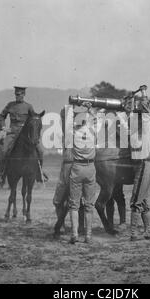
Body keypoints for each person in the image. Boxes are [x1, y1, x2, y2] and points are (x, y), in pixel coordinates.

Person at [124, 85, 150, 241]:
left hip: (144, 165)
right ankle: (148, 231)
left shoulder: (144, 126)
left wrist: (143, 93)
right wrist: (130, 99)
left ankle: (134, 233)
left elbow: (144, 108)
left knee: (135, 201)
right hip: (143, 166)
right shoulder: (134, 126)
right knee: (142, 200)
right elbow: (129, 112)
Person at [0, 86, 46, 183]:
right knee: (4, 150)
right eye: (16, 94)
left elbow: (34, 119)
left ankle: (39, 173)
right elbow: (1, 116)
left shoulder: (28, 106)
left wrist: (34, 132)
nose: (18, 96)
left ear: (24, 94)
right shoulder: (10, 105)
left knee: (40, 151)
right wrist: (3, 127)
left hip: (25, 134)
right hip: (12, 132)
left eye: (20, 94)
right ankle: (1, 174)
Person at [66, 102, 98, 244]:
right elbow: (96, 119)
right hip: (90, 167)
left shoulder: (72, 132)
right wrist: (89, 108)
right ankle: (88, 236)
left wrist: (72, 106)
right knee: (89, 204)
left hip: (77, 168)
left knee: (74, 204)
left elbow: (67, 119)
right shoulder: (92, 130)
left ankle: (74, 234)